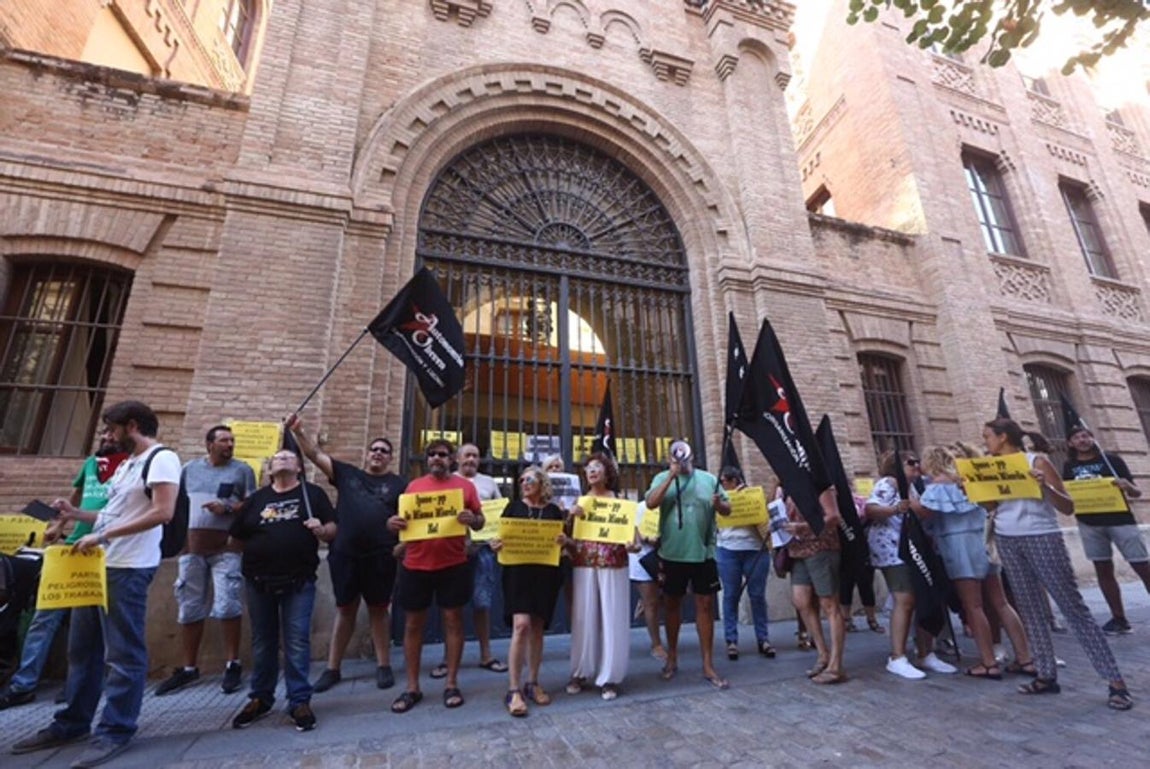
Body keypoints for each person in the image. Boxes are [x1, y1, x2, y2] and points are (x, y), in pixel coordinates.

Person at [12, 401, 181, 768]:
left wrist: (104, 536)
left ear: (131, 425)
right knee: (82, 649)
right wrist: (75, 515)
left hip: (129, 568)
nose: (107, 436)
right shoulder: (126, 467)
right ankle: (72, 723)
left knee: (123, 653)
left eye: (111, 429)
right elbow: (111, 513)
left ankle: (115, 730)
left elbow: (162, 512)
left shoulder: (163, 458)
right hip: (97, 566)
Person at [983, 418, 1132, 710]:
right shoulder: (989, 467)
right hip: (1007, 539)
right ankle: (1045, 675)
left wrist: (1044, 487)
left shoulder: (1036, 461)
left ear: (1002, 438)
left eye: (987, 436)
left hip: (1042, 536)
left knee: (1072, 607)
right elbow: (991, 508)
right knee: (1030, 609)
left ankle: (1115, 683)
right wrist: (975, 493)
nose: (985, 441)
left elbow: (1067, 506)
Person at [0, 430, 127, 710]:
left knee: (96, 624)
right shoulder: (92, 464)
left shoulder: (129, 466)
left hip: (103, 550)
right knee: (44, 617)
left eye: (112, 434)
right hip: (71, 548)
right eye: (103, 433)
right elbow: (78, 493)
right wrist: (59, 525)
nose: (106, 437)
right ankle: (24, 685)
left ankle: (80, 684)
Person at [287, 416, 407, 692]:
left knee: (379, 610)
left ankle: (383, 665)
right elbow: (314, 454)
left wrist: (401, 539)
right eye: (374, 449)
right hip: (345, 554)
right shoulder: (347, 474)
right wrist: (298, 431)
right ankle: (333, 668)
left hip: (381, 556)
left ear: (390, 458)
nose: (378, 453)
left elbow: (410, 519)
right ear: (367, 454)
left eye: (384, 451)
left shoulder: (400, 485)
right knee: (345, 610)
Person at [227, 450, 336, 731]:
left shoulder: (313, 495)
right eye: (278, 457)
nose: (283, 459)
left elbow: (333, 528)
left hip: (298, 581)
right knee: (263, 641)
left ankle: (299, 700)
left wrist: (321, 530)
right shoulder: (257, 500)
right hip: (258, 581)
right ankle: (261, 698)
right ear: (270, 468)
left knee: (297, 640)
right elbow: (236, 539)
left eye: (289, 457)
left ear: (299, 467)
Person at [156, 425, 256, 697]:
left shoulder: (242, 470)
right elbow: (176, 504)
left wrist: (229, 508)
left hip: (227, 548)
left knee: (228, 605)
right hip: (191, 548)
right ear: (209, 444)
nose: (230, 444)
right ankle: (189, 668)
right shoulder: (189, 470)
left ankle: (232, 664)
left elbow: (252, 503)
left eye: (232, 440)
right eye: (224, 440)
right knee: (189, 608)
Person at [387, 440, 484, 713]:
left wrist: (472, 520)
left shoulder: (465, 487)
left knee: (453, 621)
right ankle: (412, 687)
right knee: (412, 625)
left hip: (453, 564)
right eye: (432, 454)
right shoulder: (414, 487)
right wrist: (391, 524)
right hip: (415, 565)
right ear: (427, 459)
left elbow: (480, 521)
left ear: (451, 459)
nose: (437, 458)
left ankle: (451, 683)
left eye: (442, 454)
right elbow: (402, 523)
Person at [865, 449, 956, 680]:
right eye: (911, 462)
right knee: (904, 599)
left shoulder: (914, 486)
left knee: (921, 597)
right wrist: (896, 508)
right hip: (893, 550)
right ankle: (897, 657)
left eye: (918, 461)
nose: (917, 466)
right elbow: (871, 508)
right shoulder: (889, 483)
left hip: (915, 549)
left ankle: (926, 652)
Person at [645, 445, 730, 689]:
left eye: (683, 454)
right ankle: (672, 657)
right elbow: (651, 503)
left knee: (705, 605)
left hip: (704, 552)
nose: (680, 460)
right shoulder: (662, 478)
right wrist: (671, 476)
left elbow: (727, 508)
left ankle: (707, 664)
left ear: (693, 456)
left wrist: (719, 505)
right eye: (675, 455)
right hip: (673, 552)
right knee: (672, 605)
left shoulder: (709, 479)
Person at [915, 445, 1000, 679]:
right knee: (999, 603)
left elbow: (925, 512)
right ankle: (1025, 656)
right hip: (982, 541)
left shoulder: (938, 485)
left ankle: (988, 661)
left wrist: (908, 502)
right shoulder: (968, 481)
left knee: (973, 606)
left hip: (959, 545)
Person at [490, 466, 566, 717]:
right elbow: (498, 539)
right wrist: (496, 544)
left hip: (545, 574)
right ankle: (513, 689)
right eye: (521, 479)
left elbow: (565, 546)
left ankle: (533, 682)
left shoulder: (554, 511)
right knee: (520, 625)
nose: (524, 482)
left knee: (537, 627)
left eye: (529, 478)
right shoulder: (512, 508)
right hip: (518, 574)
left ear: (541, 482)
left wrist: (564, 542)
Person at [1062, 424, 1149, 635]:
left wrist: (1127, 486)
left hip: (1121, 520)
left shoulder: (1112, 461)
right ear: (1070, 443)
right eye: (1077, 437)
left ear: (1092, 438)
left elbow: (1137, 493)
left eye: (1086, 435)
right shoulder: (1069, 466)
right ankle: (1119, 618)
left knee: (1142, 566)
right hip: (1089, 523)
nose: (1082, 440)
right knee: (1103, 569)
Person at [429, 442, 506, 679]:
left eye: (475, 455)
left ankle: (486, 655)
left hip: (482, 551)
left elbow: (500, 516)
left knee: (482, 604)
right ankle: (447, 658)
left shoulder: (489, 483)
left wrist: (498, 538)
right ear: (457, 459)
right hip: (451, 551)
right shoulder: (445, 480)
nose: (471, 459)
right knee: (451, 607)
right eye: (467, 455)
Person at [567, 453, 636, 699]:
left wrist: (633, 546)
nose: (592, 471)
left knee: (612, 616)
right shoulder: (580, 501)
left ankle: (610, 677)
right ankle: (580, 671)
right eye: (589, 468)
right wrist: (570, 516)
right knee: (583, 617)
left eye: (598, 467)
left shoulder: (619, 500)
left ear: (607, 473)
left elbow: (634, 539)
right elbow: (565, 537)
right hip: (584, 561)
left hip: (614, 563)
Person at [785, 493, 846, 685]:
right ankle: (823, 654)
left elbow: (833, 517)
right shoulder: (788, 487)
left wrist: (803, 527)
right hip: (797, 550)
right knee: (800, 600)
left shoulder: (820, 486)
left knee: (829, 604)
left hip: (821, 547)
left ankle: (836, 665)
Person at [714, 466, 774, 661]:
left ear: (733, 481)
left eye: (723, 481)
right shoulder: (718, 497)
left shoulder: (752, 495)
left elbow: (764, 520)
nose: (721, 484)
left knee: (757, 595)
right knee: (730, 594)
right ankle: (731, 640)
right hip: (728, 549)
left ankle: (763, 638)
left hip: (755, 549)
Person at [629, 503, 666, 662]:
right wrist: (645, 539)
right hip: (643, 558)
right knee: (651, 603)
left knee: (676, 594)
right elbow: (632, 528)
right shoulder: (640, 508)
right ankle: (656, 644)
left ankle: (643, 603)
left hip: (668, 556)